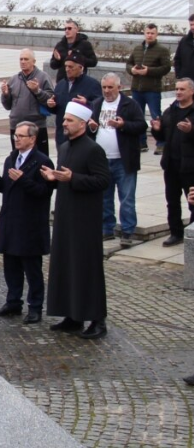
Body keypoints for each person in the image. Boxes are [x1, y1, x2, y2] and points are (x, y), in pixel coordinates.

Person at [42, 102, 112, 339]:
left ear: (82, 124)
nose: (64, 123)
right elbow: (64, 178)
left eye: (69, 120)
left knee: (87, 268)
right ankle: (72, 315)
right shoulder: (63, 147)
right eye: (64, 120)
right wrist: (54, 177)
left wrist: (74, 178)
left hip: (85, 219)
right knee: (66, 265)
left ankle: (97, 320)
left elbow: (102, 181)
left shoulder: (93, 150)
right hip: (65, 216)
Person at [0, 122, 55, 323]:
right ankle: (13, 302)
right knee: (11, 266)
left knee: (32, 269)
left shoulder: (42, 161)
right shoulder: (11, 159)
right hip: (11, 222)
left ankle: (35, 307)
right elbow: (6, 188)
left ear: (32, 139)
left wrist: (23, 179)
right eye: (15, 135)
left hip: (30, 224)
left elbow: (45, 192)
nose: (16, 138)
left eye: (21, 136)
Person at [88, 73, 147, 247]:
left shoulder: (130, 104)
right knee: (104, 197)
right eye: (104, 87)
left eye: (110, 87)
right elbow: (91, 129)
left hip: (124, 160)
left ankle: (127, 231)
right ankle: (107, 229)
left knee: (126, 198)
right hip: (102, 160)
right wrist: (91, 128)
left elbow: (141, 126)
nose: (107, 91)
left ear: (119, 87)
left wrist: (124, 125)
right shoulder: (97, 103)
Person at [152, 77, 194, 246]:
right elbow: (163, 137)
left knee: (192, 201)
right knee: (172, 201)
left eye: (182, 89)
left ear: (191, 91)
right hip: (171, 164)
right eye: (176, 89)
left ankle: (192, 233)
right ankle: (176, 232)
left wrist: (191, 130)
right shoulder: (170, 111)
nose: (178, 92)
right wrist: (157, 130)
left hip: (190, 166)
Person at [127, 23, 172, 155]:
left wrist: (148, 71)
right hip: (137, 89)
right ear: (144, 33)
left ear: (156, 34)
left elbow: (166, 68)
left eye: (152, 33)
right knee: (138, 117)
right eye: (148, 33)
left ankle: (160, 143)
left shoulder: (162, 50)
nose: (150, 35)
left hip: (152, 89)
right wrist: (132, 70)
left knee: (156, 116)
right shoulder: (137, 49)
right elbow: (129, 63)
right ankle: (141, 143)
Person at [1, 49, 55, 156]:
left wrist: (37, 91)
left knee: (40, 160)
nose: (23, 62)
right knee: (17, 158)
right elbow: (7, 106)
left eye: (26, 59)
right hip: (16, 126)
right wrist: (5, 94)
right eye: (21, 59)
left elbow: (51, 100)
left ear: (34, 61)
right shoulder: (14, 79)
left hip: (36, 127)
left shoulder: (43, 77)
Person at [48, 53, 101, 146]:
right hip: (62, 135)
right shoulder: (61, 84)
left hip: (82, 137)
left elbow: (100, 107)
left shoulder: (92, 84)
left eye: (71, 66)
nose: (67, 69)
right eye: (66, 66)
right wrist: (51, 105)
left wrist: (87, 103)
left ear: (81, 68)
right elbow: (57, 109)